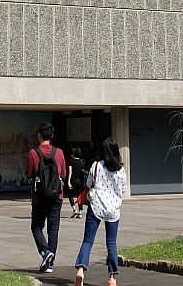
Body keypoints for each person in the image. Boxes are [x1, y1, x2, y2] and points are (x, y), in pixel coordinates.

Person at [74, 136, 127, 286]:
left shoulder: (96, 166)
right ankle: (112, 277)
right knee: (111, 243)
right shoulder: (121, 170)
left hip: (96, 206)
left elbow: (89, 183)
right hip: (113, 210)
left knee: (88, 240)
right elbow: (123, 189)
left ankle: (80, 271)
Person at [25, 122, 67, 274]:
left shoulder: (33, 153)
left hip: (39, 196)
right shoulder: (59, 153)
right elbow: (62, 175)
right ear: (52, 135)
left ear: (39, 135)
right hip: (57, 196)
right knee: (53, 230)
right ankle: (50, 264)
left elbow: (28, 174)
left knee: (36, 227)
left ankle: (45, 251)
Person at [67, 148, 87, 218]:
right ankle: (80, 212)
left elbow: (70, 172)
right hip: (80, 181)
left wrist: (68, 181)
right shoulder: (81, 161)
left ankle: (74, 209)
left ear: (72, 154)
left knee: (70, 195)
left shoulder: (71, 161)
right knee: (79, 196)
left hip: (73, 180)